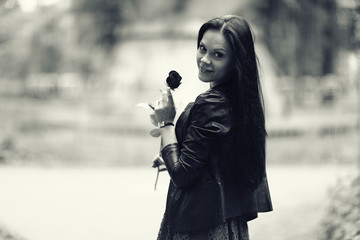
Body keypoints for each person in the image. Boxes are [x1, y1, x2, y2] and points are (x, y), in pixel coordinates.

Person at [153, 15, 273, 240]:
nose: (205, 60)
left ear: (236, 60)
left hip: (202, 228)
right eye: (202, 49)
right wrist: (172, 157)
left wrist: (166, 123)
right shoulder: (239, 100)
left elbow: (183, 175)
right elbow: (218, 159)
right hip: (227, 223)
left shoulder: (213, 102)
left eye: (218, 55)